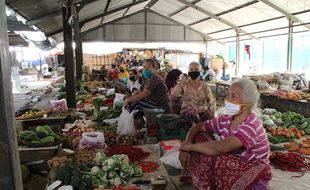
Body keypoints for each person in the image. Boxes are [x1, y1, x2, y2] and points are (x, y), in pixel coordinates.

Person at [179, 78, 271, 190]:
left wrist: (190, 147)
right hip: (233, 166)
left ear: (247, 104)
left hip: (254, 176)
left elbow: (221, 148)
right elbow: (198, 126)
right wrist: (187, 144)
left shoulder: (252, 125)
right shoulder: (226, 120)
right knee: (200, 138)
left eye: (233, 96)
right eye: (228, 95)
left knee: (213, 155)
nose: (227, 99)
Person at [123, 59, 169, 128]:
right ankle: (139, 126)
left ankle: (136, 130)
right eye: (144, 67)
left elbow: (144, 94)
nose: (145, 69)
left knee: (136, 103)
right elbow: (140, 90)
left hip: (160, 107)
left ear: (154, 68)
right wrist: (132, 95)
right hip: (152, 104)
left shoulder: (154, 78)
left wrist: (128, 100)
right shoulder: (146, 78)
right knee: (133, 103)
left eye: (148, 67)